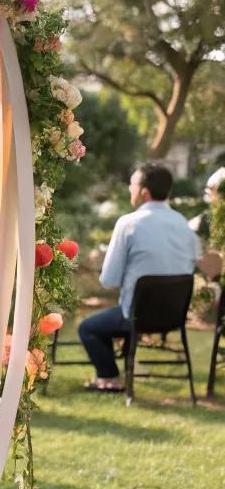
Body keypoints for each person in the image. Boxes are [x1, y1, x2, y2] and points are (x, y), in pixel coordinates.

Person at [78, 161, 201, 392]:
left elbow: (109, 281)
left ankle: (109, 378)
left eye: (131, 185)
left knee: (88, 328)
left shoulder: (128, 224)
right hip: (175, 317)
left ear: (144, 192)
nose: (129, 189)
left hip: (135, 317)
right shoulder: (184, 226)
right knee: (117, 316)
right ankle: (118, 371)